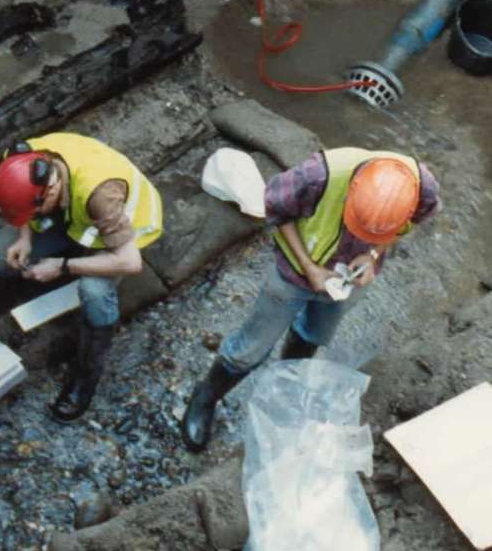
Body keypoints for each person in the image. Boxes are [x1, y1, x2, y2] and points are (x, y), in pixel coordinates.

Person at [179, 148, 440, 452]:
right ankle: (207, 396)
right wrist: (309, 267)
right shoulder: (318, 175)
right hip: (293, 273)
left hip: (349, 279)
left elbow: (410, 225)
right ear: (352, 189)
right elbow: (276, 210)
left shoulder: (423, 189)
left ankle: (286, 382)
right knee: (252, 344)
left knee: (314, 334)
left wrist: (372, 254)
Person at [0, 132, 163, 423]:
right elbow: (25, 211)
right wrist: (25, 238)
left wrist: (63, 267)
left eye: (34, 209)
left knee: (93, 291)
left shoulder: (101, 194)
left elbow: (130, 262)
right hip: (74, 218)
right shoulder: (19, 162)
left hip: (122, 237)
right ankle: (67, 248)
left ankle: (87, 374)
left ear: (50, 191)